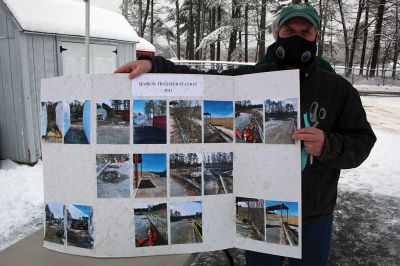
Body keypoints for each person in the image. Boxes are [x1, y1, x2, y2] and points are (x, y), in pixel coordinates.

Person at [115, 4, 376, 265]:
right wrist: (154, 65)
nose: (297, 36)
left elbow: (362, 141)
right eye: (289, 29)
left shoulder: (338, 89)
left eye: (305, 32)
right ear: (277, 33)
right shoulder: (250, 78)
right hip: (260, 204)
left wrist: (328, 144)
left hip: (315, 213)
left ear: (316, 37)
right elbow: (202, 81)